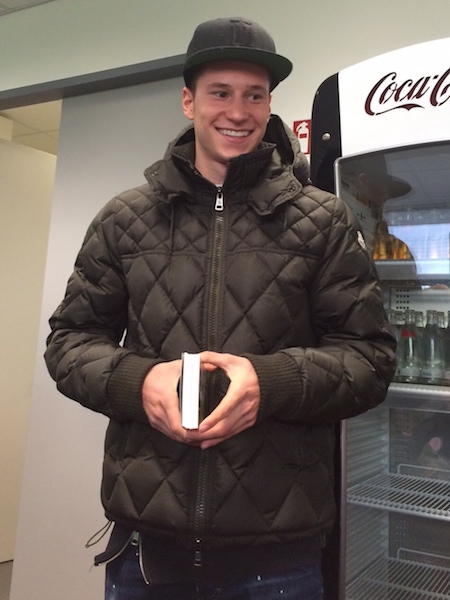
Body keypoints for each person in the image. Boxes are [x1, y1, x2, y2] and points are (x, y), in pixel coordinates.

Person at [44, 16, 397, 600]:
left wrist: (271, 383)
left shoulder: (323, 220)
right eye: (220, 93)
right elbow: (69, 342)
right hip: (147, 550)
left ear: (269, 104)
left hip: (279, 558)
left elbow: (371, 358)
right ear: (189, 101)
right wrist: (138, 382)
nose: (238, 111)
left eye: (255, 95)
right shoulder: (124, 218)